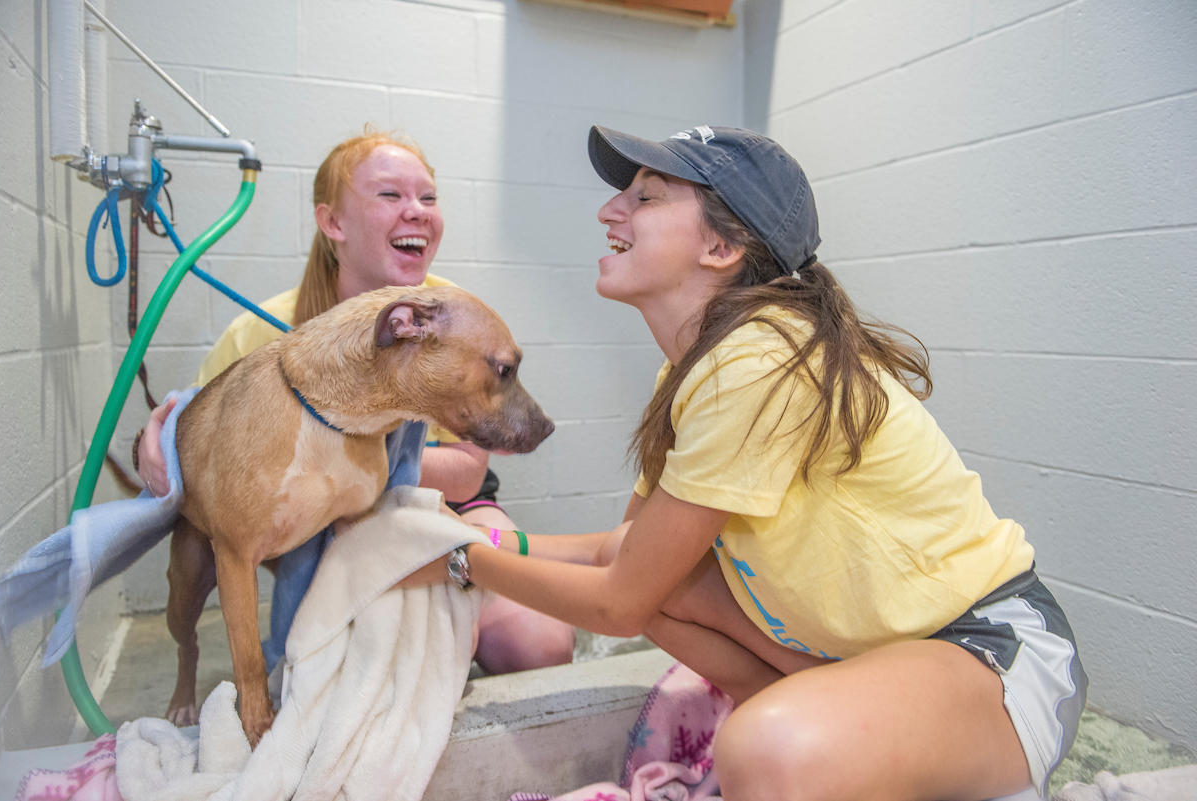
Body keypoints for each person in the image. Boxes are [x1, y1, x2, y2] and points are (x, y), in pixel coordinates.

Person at [413, 125, 1088, 801]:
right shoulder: (692, 370)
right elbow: (629, 562)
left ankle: (820, 742)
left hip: (994, 655)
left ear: (721, 246)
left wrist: (453, 555)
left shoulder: (758, 360)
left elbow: (617, 604)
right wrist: (489, 538)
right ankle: (823, 731)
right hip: (875, 657)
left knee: (764, 749)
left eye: (645, 197)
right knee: (664, 581)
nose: (609, 210)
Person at [137, 130, 574, 676]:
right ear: (333, 223)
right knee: (360, 658)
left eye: (429, 198)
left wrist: (342, 461)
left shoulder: (455, 318)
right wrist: (157, 451)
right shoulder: (261, 333)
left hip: (438, 510)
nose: (416, 211)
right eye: (391, 195)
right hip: (308, 530)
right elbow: (202, 450)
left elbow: (464, 474)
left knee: (536, 643)